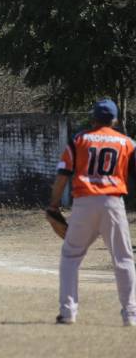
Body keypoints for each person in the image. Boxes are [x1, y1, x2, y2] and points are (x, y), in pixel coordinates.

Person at [48, 99, 136, 326]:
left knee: (70, 256)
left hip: (84, 202)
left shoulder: (79, 140)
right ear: (115, 120)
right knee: (123, 259)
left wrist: (53, 205)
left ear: (93, 118)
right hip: (113, 203)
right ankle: (131, 315)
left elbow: (62, 177)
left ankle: (68, 313)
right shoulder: (127, 142)